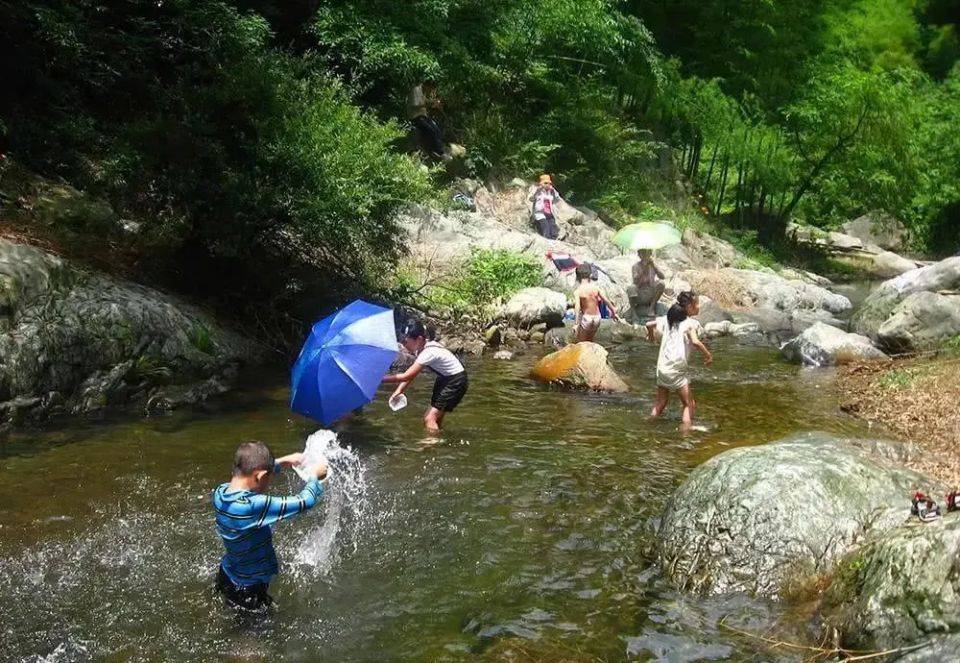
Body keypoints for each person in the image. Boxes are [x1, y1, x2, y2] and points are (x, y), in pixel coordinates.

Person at [213, 441, 327, 611]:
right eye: (269, 478)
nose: (269, 484)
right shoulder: (252, 506)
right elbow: (305, 501)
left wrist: (282, 462)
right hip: (248, 589)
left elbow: (252, 470)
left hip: (226, 574)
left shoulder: (220, 493)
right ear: (260, 476)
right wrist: (313, 477)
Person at [383, 320, 468, 433]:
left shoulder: (428, 352)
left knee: (429, 418)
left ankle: (432, 443)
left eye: (406, 341)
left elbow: (406, 376)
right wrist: (399, 390)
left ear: (418, 339)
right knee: (435, 418)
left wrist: (379, 379)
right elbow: (411, 374)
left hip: (455, 381)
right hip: (445, 379)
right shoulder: (422, 349)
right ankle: (440, 439)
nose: (404, 345)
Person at [645, 291, 712, 432]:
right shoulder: (690, 324)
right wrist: (708, 355)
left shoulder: (667, 319)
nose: (699, 306)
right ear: (689, 307)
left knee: (661, 403)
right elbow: (695, 342)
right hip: (677, 371)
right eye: (697, 304)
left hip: (662, 368)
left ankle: (648, 426)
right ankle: (685, 435)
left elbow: (649, 324)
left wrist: (651, 336)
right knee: (689, 404)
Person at [574, 263, 619, 343]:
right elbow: (606, 300)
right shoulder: (596, 288)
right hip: (597, 318)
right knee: (590, 340)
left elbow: (577, 307)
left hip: (587, 318)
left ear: (577, 277)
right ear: (590, 275)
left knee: (581, 342)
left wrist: (576, 324)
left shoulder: (578, 291)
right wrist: (613, 312)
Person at [407, 79, 445, 159]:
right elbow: (415, 105)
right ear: (427, 86)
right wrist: (429, 104)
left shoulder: (423, 91)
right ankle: (438, 152)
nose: (430, 91)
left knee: (437, 129)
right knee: (430, 130)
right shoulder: (416, 90)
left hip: (423, 116)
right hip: (415, 116)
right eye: (430, 89)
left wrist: (434, 104)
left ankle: (437, 150)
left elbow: (425, 102)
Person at [631, 249, 666, 318]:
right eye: (643, 253)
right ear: (639, 255)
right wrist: (644, 268)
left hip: (650, 290)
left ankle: (651, 308)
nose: (645, 255)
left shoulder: (653, 265)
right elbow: (635, 281)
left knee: (661, 283)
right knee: (631, 288)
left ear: (650, 254)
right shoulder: (635, 266)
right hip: (640, 292)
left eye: (647, 253)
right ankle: (633, 312)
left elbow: (662, 277)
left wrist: (654, 266)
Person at [530, 174, 562, 240]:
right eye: (545, 183)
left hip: (549, 213)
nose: (547, 185)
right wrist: (537, 191)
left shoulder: (551, 191)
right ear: (541, 183)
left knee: (553, 230)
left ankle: (554, 243)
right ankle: (546, 243)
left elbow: (557, 199)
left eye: (549, 183)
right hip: (540, 213)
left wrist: (554, 191)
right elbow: (531, 199)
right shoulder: (537, 190)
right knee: (546, 229)